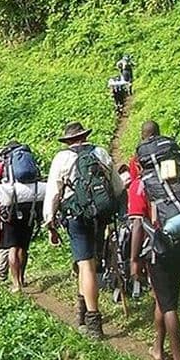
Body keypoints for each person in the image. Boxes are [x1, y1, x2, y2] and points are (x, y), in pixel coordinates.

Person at [44, 122, 124, 338]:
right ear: (85, 136)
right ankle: (82, 311)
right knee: (91, 263)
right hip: (100, 215)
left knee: (85, 265)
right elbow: (118, 187)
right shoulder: (100, 153)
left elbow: (53, 194)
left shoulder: (62, 158)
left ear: (68, 141)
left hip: (76, 216)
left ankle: (93, 321)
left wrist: (50, 223)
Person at [129, 120, 180, 360]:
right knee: (164, 298)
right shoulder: (176, 174)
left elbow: (137, 225)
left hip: (159, 249)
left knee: (168, 306)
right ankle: (158, 348)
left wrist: (134, 259)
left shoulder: (142, 184)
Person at [0, 142, 33, 293]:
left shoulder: (3, 163)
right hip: (30, 206)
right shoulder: (29, 160)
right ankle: (22, 277)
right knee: (23, 246)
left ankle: (16, 284)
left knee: (13, 247)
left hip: (10, 208)